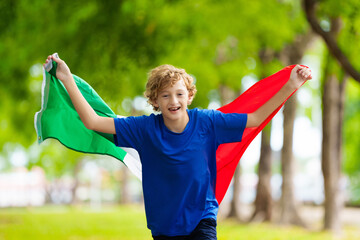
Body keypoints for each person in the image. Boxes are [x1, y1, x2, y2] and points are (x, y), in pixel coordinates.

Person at [43, 53, 312, 239]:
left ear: (189, 95)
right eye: (166, 95)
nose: (174, 100)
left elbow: (254, 119)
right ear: (155, 100)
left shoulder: (207, 122)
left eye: (180, 93)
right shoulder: (144, 129)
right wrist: (66, 78)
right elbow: (92, 121)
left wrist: (290, 85)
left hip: (201, 219)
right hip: (165, 227)